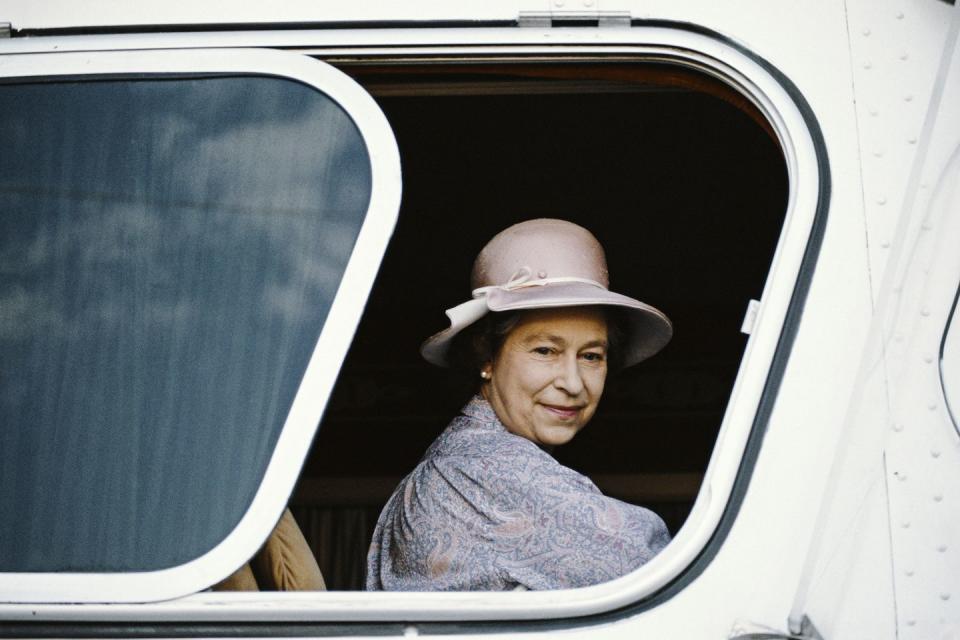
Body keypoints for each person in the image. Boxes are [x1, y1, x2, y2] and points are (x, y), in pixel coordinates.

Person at [365, 218, 673, 591]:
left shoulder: (466, 457)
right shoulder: (483, 471)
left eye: (591, 356)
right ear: (486, 357)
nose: (573, 383)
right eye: (545, 351)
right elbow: (659, 567)